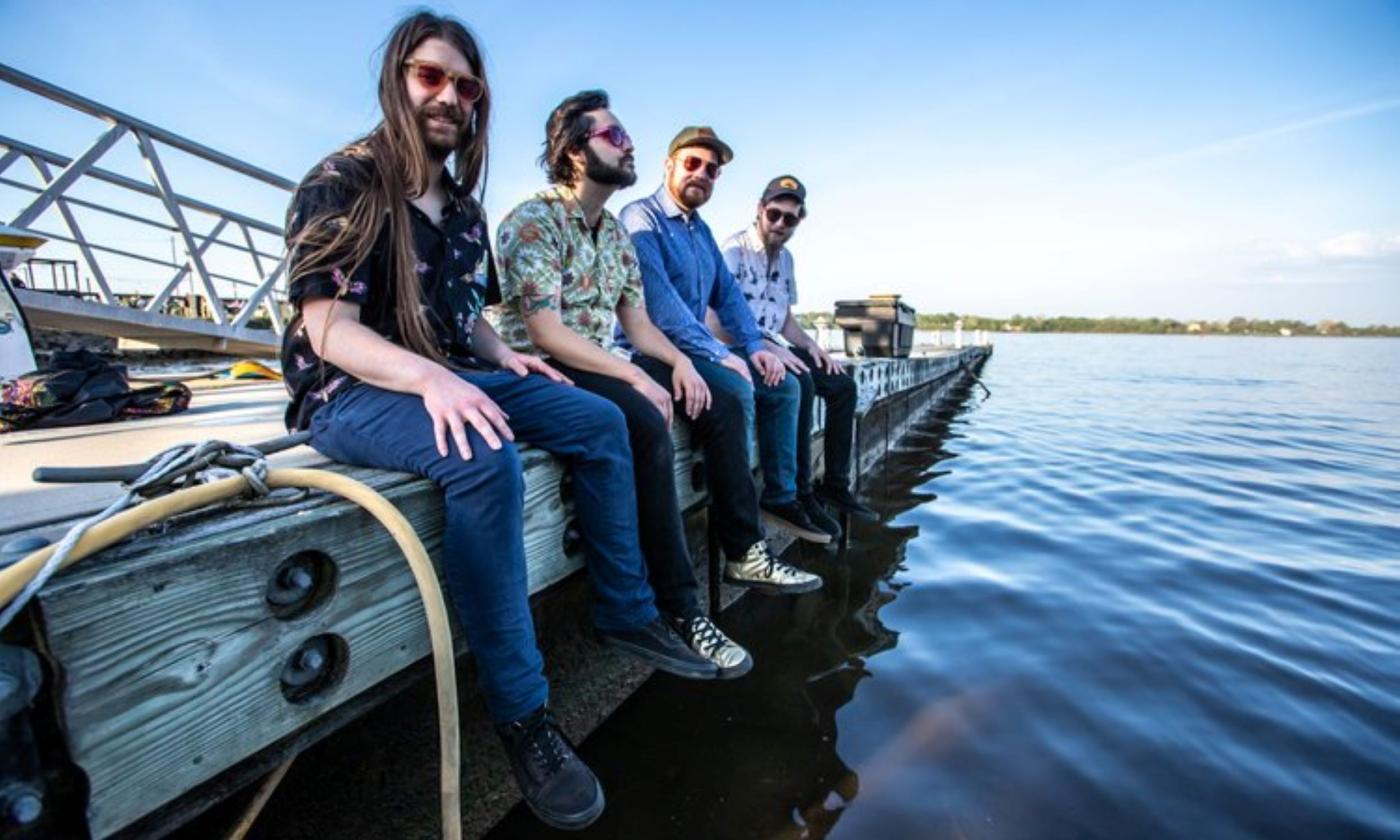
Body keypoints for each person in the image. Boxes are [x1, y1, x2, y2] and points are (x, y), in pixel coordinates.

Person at [279, 13, 713, 830]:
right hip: (350, 388)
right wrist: (431, 383)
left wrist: (501, 355)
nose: (449, 96)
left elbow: (467, 314)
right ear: (397, 80)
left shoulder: (465, 211)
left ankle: (625, 609)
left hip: (448, 367)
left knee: (594, 419)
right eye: (430, 76)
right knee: (484, 456)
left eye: (466, 85)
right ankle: (524, 714)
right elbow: (326, 327)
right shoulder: (343, 181)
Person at [496, 92, 819, 648]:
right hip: (540, 366)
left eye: (713, 169)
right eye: (616, 137)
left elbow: (640, 317)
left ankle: (740, 552)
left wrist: (678, 363)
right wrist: (651, 371)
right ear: (574, 151)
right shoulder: (545, 221)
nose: (630, 146)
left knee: (739, 392)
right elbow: (548, 332)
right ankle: (673, 605)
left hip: (601, 360)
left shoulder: (616, 233)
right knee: (645, 418)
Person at [619, 127, 832, 545]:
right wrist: (719, 352)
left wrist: (755, 346)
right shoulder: (641, 218)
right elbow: (661, 307)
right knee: (736, 388)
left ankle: (782, 496)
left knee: (785, 386)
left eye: (712, 170)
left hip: (694, 353)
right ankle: (739, 526)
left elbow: (729, 296)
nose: (702, 173)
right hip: (651, 352)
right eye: (692, 163)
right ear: (669, 164)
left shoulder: (701, 231)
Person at [720, 177, 877, 526]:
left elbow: (785, 318)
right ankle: (799, 492)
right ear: (760, 209)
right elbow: (719, 316)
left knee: (841, 385)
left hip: (774, 343)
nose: (779, 224)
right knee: (800, 380)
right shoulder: (734, 250)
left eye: (789, 219)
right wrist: (771, 346)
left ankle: (835, 484)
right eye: (774, 214)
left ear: (799, 220)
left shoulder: (786, 258)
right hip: (740, 345)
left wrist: (810, 345)